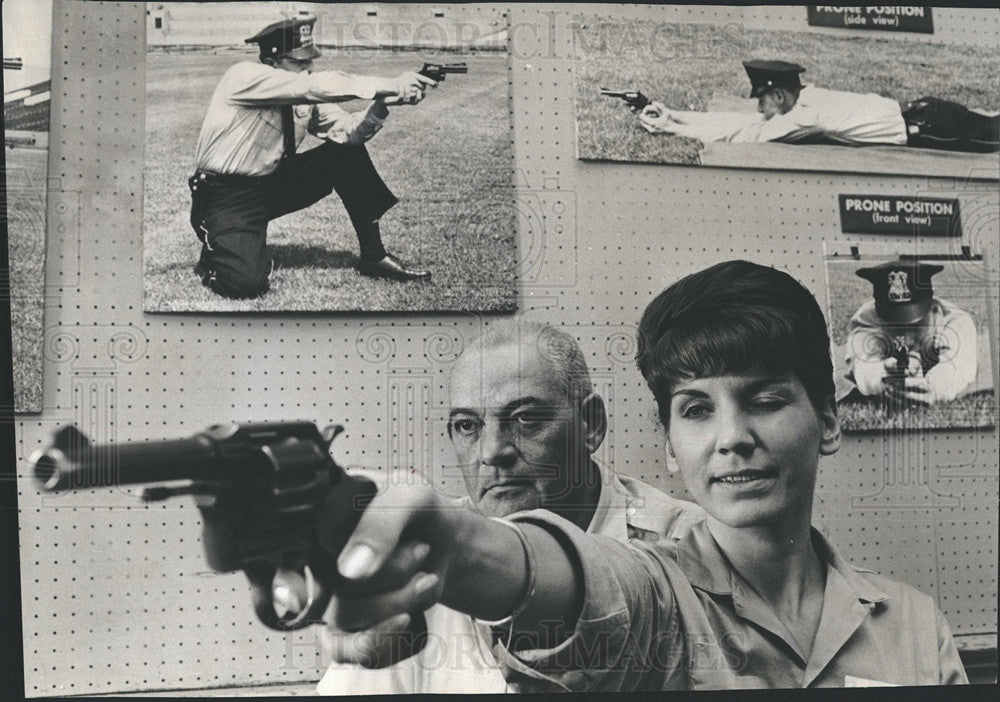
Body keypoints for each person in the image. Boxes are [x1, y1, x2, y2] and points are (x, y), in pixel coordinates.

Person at [315, 261, 967, 689]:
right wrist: (434, 545)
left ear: (828, 421)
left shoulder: (912, 623)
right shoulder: (658, 586)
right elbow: (583, 583)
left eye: (766, 401)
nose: (733, 439)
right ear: (668, 443)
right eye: (696, 410)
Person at [315, 320, 704, 693]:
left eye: (525, 419)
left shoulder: (692, 549)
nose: (491, 452)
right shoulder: (419, 549)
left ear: (590, 425)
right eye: (468, 425)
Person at [189, 15, 435, 300]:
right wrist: (391, 83)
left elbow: (348, 134)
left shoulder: (301, 91)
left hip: (270, 186)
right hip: (225, 195)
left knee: (345, 154)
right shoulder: (243, 76)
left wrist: (380, 106)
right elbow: (316, 86)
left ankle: (374, 256)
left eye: (310, 62)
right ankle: (217, 252)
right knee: (244, 285)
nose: (307, 70)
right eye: (298, 63)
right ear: (272, 61)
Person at [637, 59, 1000, 153]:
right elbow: (740, 121)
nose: (760, 109)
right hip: (928, 111)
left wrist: (670, 126)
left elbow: (746, 135)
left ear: (778, 96)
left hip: (935, 130)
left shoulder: (806, 116)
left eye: (762, 100)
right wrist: (675, 115)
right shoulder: (811, 97)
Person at [844, 259, 977, 405]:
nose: (906, 338)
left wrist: (933, 387)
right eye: (894, 324)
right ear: (878, 312)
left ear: (933, 307)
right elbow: (863, 365)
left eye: (916, 325)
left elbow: (958, 368)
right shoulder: (866, 319)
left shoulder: (954, 320)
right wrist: (882, 378)